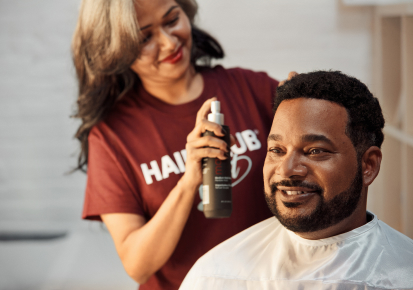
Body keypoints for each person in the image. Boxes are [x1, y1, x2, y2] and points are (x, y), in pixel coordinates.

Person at [71, 0, 279, 289]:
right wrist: (189, 180)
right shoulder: (111, 137)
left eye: (171, 20)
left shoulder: (253, 89)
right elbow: (137, 266)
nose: (169, 43)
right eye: (144, 38)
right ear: (116, 50)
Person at [179, 71, 413, 289]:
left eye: (315, 151)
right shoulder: (217, 275)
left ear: (368, 165)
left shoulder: (404, 274)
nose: (287, 169)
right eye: (277, 150)